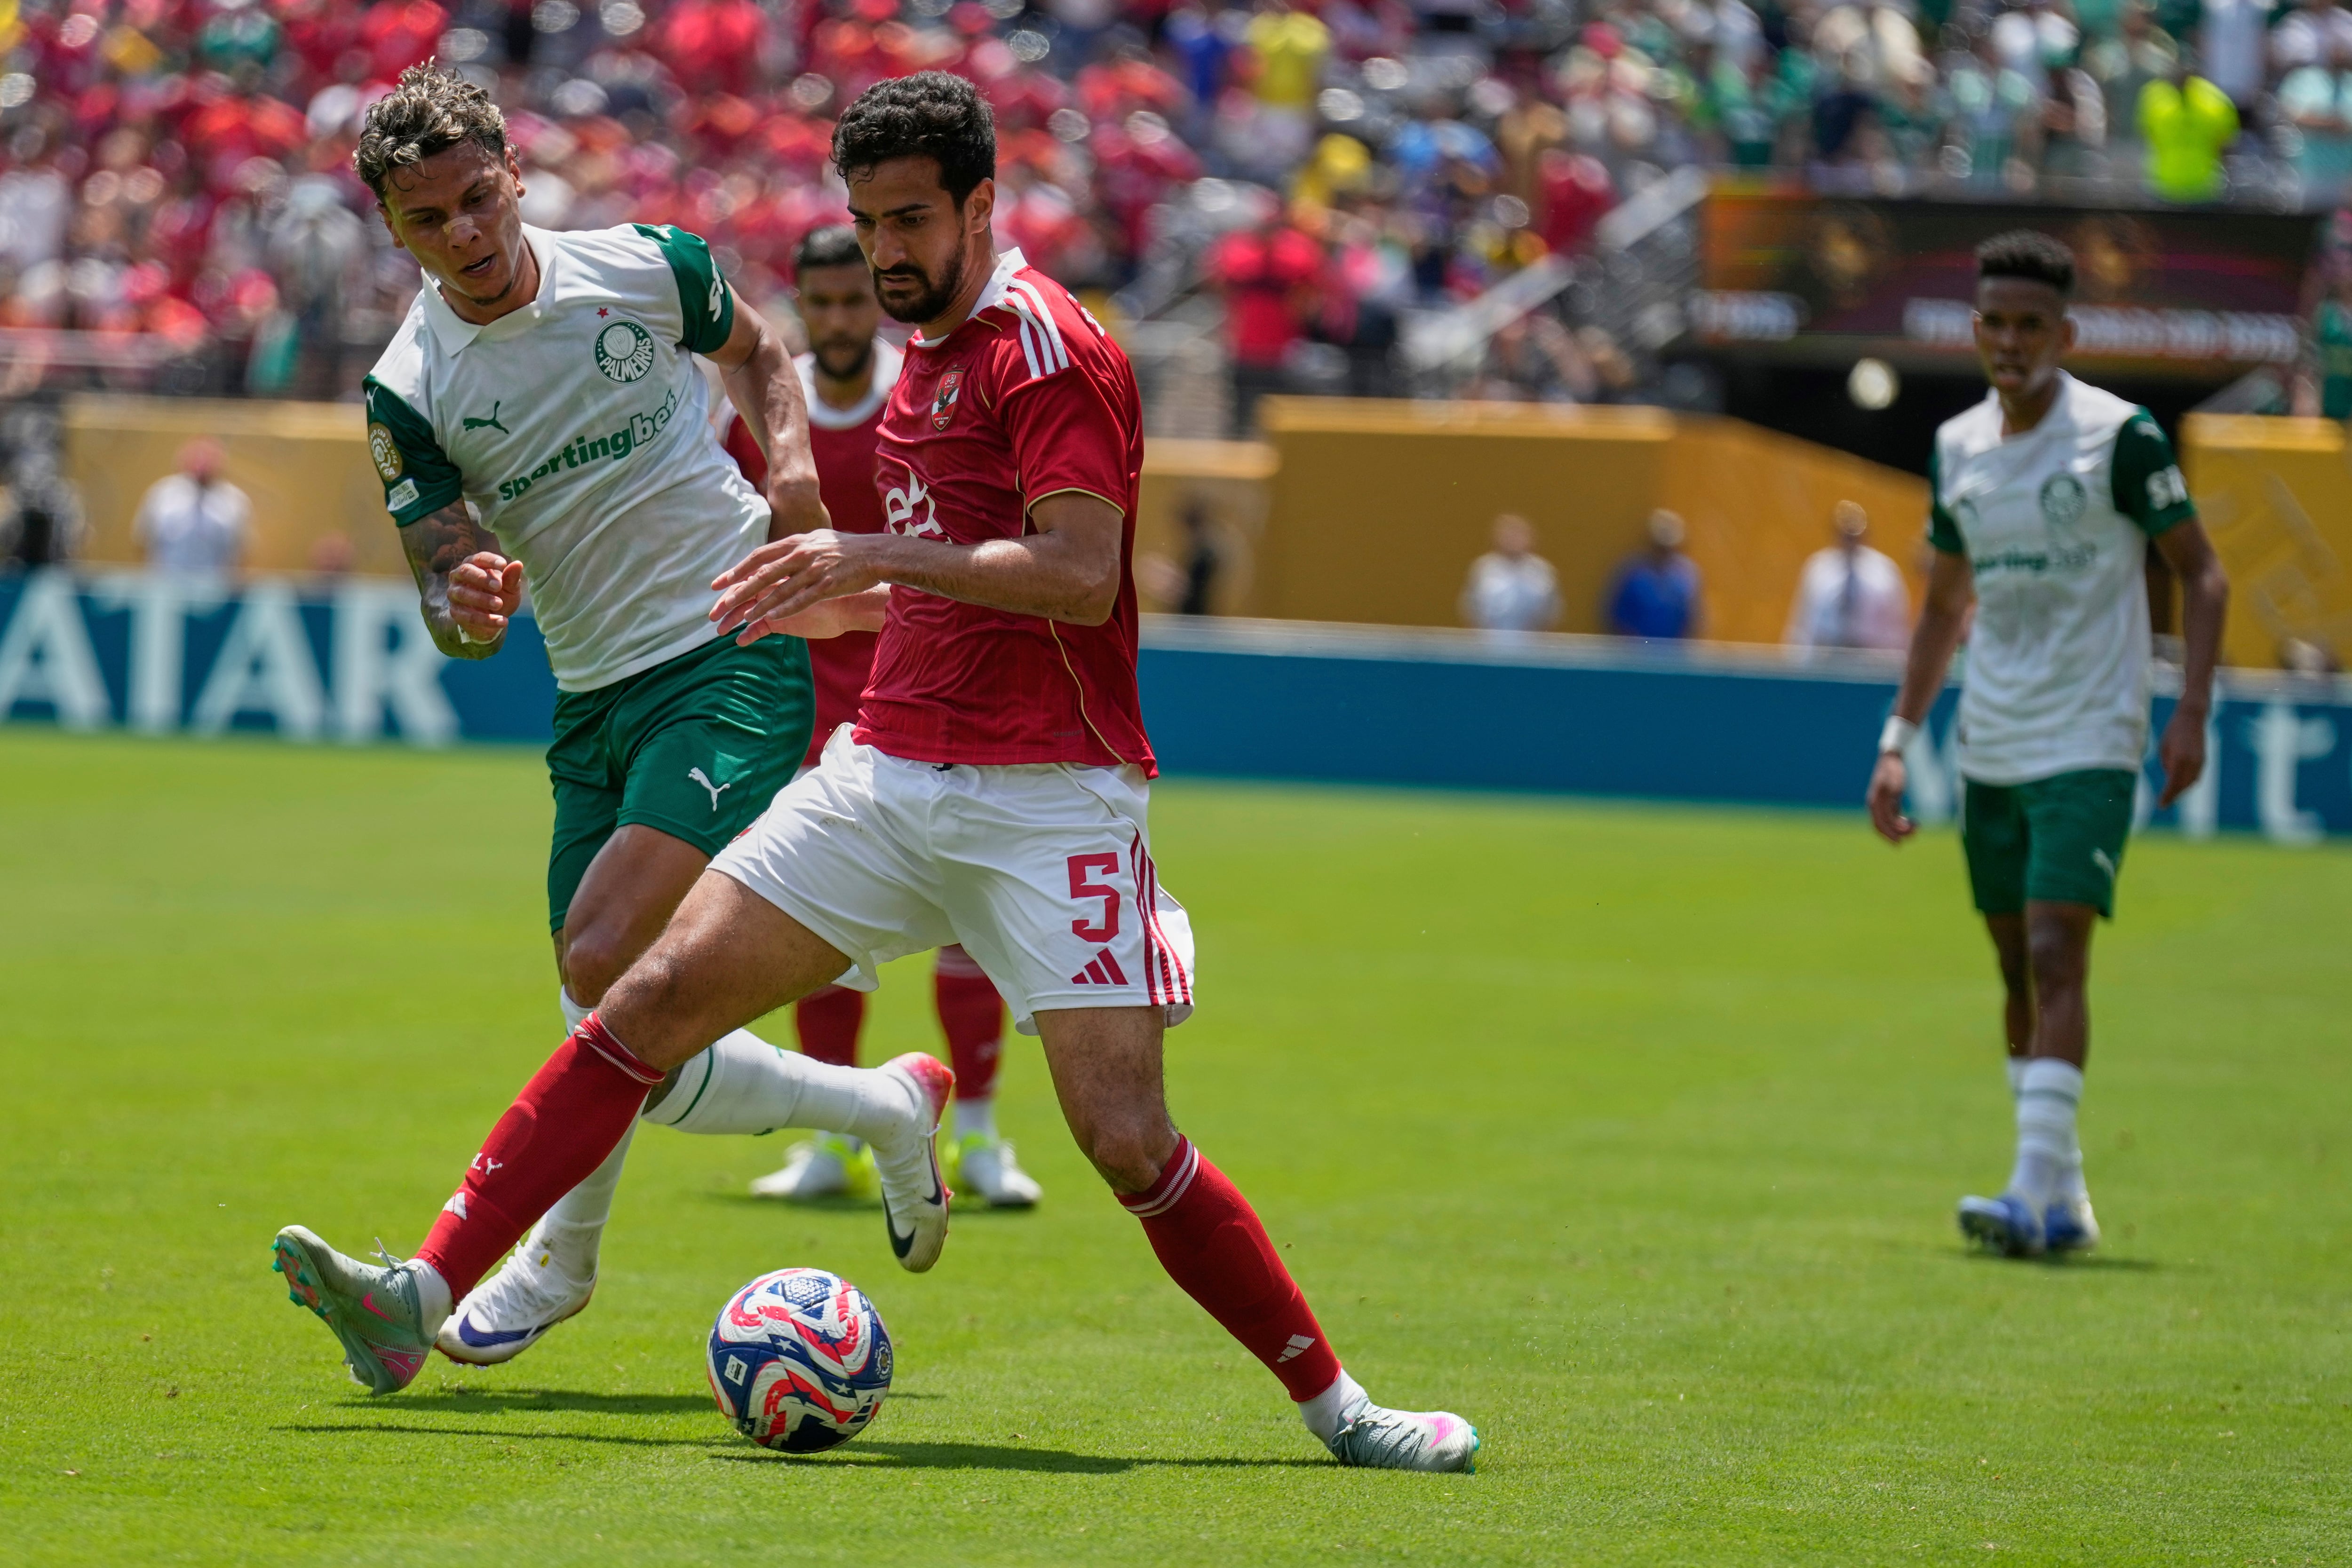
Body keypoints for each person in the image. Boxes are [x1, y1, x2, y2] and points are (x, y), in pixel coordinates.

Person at [271, 71, 1477, 1473]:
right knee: (636, 995)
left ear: (980, 206)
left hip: (1051, 792)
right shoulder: (918, 350)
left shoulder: (1045, 346)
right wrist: (819, 595)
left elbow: (1085, 581)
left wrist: (859, 551)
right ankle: (427, 1290)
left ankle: (1340, 1410)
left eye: (912, 221)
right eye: (866, 221)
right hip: (886, 768)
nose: (887, 251)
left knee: (1124, 1138)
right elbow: (928, 591)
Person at [276, 66, 957, 1375]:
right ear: (394, 230)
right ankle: (879, 1103)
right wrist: (465, 599)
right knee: (607, 1002)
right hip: (590, 697)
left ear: (517, 175)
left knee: (606, 957)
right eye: (432, 220)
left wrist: (797, 465)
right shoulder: (409, 387)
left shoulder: (644, 266)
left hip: (728, 651)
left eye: (480, 198)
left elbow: (760, 354)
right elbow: (447, 592)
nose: (467, 233)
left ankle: (510, 1268)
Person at [1867, 230, 2228, 1259]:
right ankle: (2063, 1193)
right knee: (2010, 965)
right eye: (1995, 323)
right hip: (1992, 736)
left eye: (2032, 325)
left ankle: (2028, 1187)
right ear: (1975, 330)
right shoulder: (1956, 449)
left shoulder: (2119, 437)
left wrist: (2191, 707)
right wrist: (1897, 741)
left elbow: (2202, 574)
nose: (2011, 341)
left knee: (2053, 942)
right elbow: (1941, 610)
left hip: (2094, 730)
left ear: (2065, 333)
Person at [721, 223, 1042, 1211]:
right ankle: (834, 1140)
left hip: (932, 690)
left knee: (969, 929)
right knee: (820, 931)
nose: (839, 320)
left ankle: (982, 1136)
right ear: (800, 308)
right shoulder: (769, 424)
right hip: (809, 704)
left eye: (853, 300)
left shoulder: (929, 393)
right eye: (819, 305)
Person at [1784, 499, 1912, 654]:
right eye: (1845, 532)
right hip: (1825, 655)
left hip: (1869, 658)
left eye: (1855, 532)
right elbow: (1803, 625)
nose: (1850, 538)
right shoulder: (1818, 568)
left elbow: (1897, 629)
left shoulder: (1886, 572)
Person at [133, 439, 249, 575]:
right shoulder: (162, 494)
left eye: (209, 457)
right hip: (166, 583)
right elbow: (142, 540)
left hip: (214, 586)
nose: (202, 463)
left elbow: (243, 550)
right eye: (197, 456)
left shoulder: (235, 500)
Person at [1605, 508, 1702, 640]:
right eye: (1660, 547)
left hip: (1675, 655)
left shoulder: (1687, 576)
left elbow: (1694, 620)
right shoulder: (1632, 573)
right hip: (1636, 655)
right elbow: (1617, 617)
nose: (1664, 552)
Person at [1460, 513, 1561, 633]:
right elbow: (1470, 610)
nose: (1513, 539)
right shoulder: (1483, 569)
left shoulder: (1543, 570)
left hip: (1532, 644)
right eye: (1508, 534)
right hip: (1489, 644)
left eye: (1519, 534)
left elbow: (1552, 613)